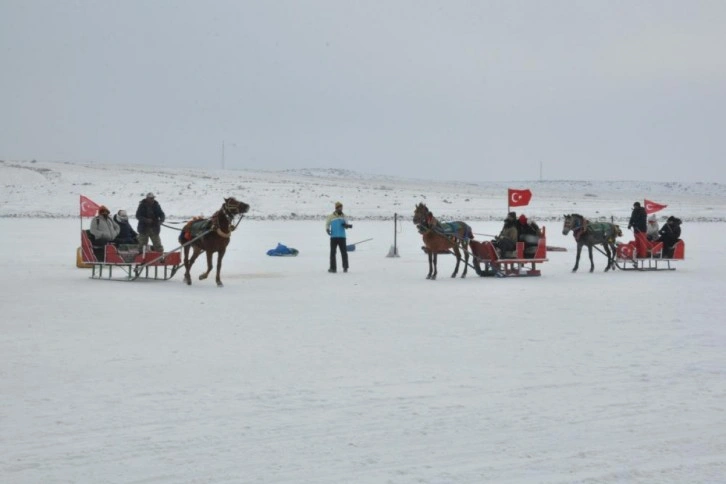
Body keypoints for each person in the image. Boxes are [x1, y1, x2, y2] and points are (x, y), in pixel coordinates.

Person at [325, 201, 352, 273]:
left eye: (341, 207)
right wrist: (327, 229)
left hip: (342, 237)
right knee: (333, 253)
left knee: (344, 253)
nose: (341, 209)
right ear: (336, 208)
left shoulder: (344, 216)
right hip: (333, 237)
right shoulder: (331, 216)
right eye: (339, 207)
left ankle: (345, 268)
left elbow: (346, 225)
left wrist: (347, 226)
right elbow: (327, 224)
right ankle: (333, 268)